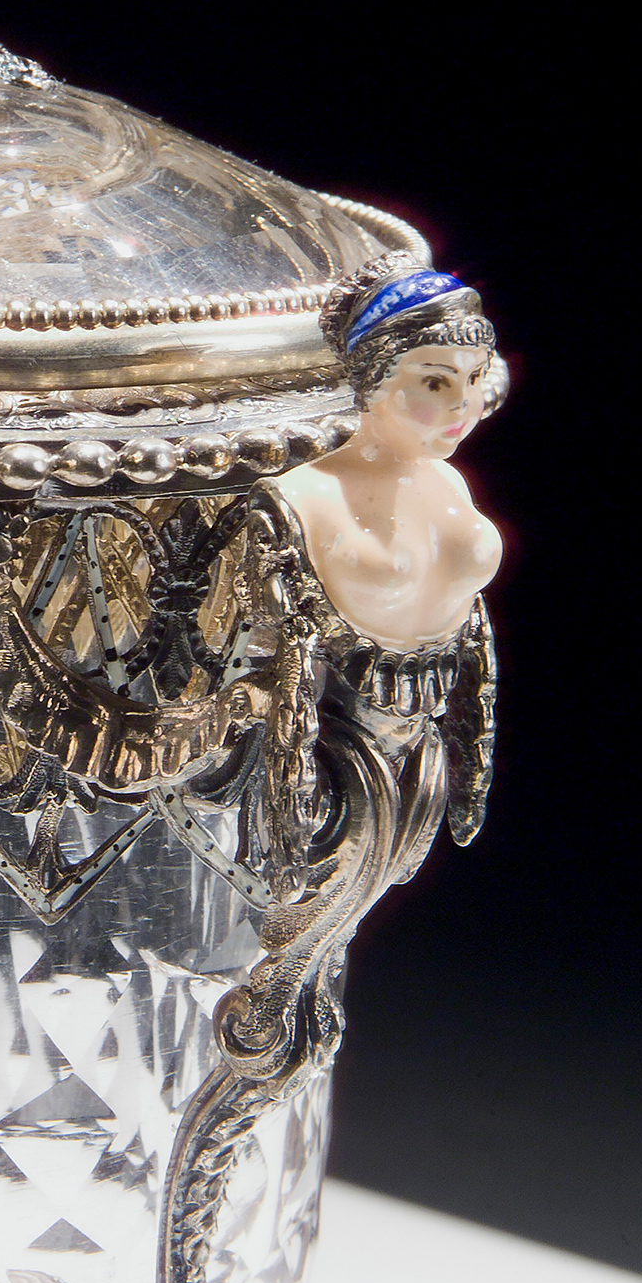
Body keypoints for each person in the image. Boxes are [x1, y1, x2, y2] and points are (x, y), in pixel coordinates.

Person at [240, 252, 506, 889]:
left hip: (421, 747)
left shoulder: (447, 483)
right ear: (373, 380)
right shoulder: (302, 497)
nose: (464, 403)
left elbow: (472, 631)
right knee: (305, 905)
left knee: (381, 884)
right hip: (324, 752)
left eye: (474, 377)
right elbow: (273, 656)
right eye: (435, 382)